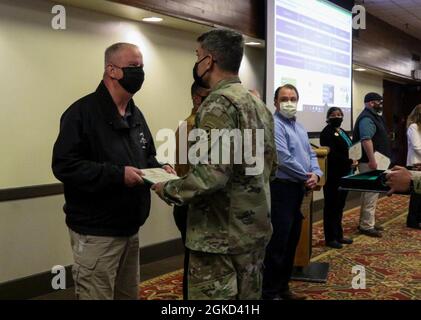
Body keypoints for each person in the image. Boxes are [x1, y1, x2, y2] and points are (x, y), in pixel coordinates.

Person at [152, 29, 277, 300]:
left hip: (219, 238)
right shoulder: (258, 105)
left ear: (209, 61)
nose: (196, 62)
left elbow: (211, 176)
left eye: (197, 56)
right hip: (253, 232)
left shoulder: (217, 104)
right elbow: (272, 167)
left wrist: (169, 189)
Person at [52, 42, 175, 300]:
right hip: (96, 233)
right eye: (133, 67)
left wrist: (159, 168)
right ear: (111, 70)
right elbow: (65, 165)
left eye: (142, 67)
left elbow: (145, 156)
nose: (139, 73)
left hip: (130, 230)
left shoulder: (135, 113)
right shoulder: (81, 113)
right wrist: (117, 175)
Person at [262, 84, 322, 300]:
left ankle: (283, 288)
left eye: (293, 98)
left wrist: (316, 174)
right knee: (278, 243)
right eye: (284, 98)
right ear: (276, 102)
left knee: (291, 242)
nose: (289, 102)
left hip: (299, 189)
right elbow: (283, 158)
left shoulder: (300, 127)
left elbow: (312, 154)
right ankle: (269, 292)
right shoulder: (274, 125)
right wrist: (308, 177)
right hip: (282, 190)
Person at [172, 82, 209, 300]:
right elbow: (195, 173)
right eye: (209, 96)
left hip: (197, 204)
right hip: (192, 205)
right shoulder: (193, 127)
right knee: (195, 266)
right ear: (197, 99)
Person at [353, 92, 392, 237]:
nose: (381, 104)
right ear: (370, 103)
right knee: (370, 194)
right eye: (378, 102)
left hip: (376, 160)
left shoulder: (374, 116)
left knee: (370, 194)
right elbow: (366, 140)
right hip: (370, 162)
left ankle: (367, 221)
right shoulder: (366, 118)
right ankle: (366, 226)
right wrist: (372, 160)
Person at [320, 107, 357, 249]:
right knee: (331, 206)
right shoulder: (327, 132)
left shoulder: (342, 131)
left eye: (340, 114)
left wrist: (355, 159)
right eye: (334, 115)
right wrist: (349, 161)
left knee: (340, 206)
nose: (338, 116)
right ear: (328, 117)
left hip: (346, 173)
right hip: (333, 175)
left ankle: (339, 235)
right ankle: (330, 238)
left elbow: (350, 148)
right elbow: (333, 155)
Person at [405, 105, 421, 229]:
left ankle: (419, 218)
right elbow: (417, 147)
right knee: (416, 194)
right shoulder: (413, 127)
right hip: (415, 164)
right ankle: (412, 221)